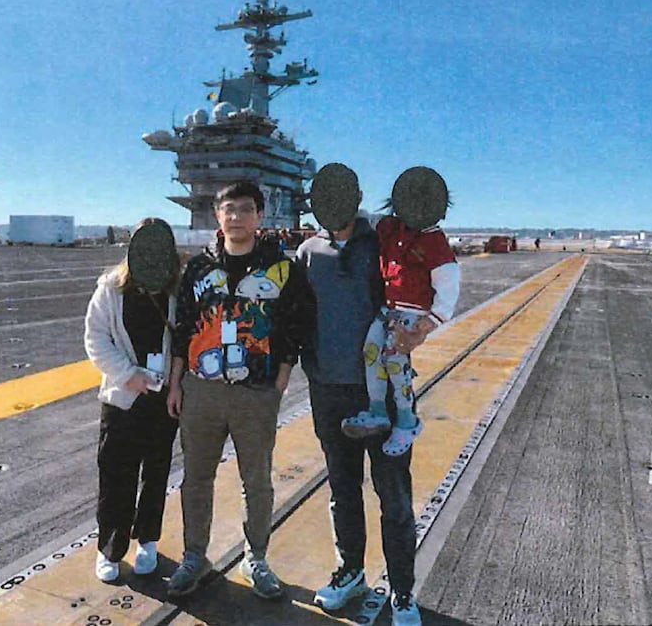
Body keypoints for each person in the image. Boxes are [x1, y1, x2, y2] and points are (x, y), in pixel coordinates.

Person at [297, 163, 457, 626]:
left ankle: (403, 593)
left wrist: (424, 329)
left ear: (357, 194)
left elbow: (429, 277)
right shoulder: (308, 252)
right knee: (342, 489)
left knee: (394, 497)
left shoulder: (380, 240)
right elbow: (298, 313)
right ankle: (351, 572)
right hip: (328, 389)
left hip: (381, 393)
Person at [166, 181, 316, 599]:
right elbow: (182, 329)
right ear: (218, 216)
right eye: (229, 209)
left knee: (257, 480)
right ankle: (194, 556)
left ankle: (257, 558)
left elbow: (297, 322)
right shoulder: (197, 268)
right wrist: (177, 383)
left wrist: (282, 375)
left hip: (256, 392)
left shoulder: (283, 268)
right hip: (202, 390)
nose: (236, 217)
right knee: (196, 478)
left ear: (260, 216)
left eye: (245, 209)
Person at [83, 218, 182, 583]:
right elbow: (95, 339)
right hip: (123, 398)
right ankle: (110, 547)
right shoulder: (110, 288)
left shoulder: (176, 289)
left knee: (156, 474)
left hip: (161, 401)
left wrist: (174, 384)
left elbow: (184, 341)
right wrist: (129, 375)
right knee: (115, 475)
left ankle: (148, 541)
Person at [341, 167, 460, 456]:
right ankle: (378, 410)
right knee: (371, 352)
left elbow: (448, 281)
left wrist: (431, 321)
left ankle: (407, 420)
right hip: (388, 310)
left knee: (395, 362)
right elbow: (368, 220)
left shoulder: (433, 240)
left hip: (411, 315)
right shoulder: (391, 228)